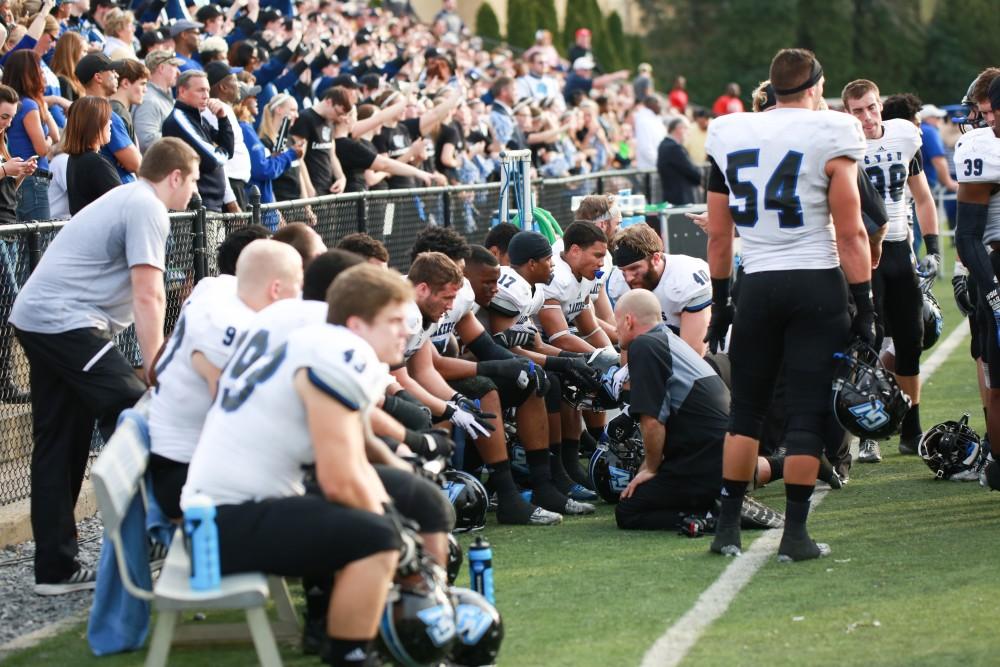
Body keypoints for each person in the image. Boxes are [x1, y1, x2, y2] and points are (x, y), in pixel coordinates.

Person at [181, 265, 413, 667]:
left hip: (218, 513)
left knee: (378, 524)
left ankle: (350, 636)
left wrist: (391, 514)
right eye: (393, 321)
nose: (405, 331)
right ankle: (351, 656)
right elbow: (339, 479)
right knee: (376, 538)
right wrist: (395, 532)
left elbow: (355, 458)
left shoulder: (317, 341)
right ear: (357, 324)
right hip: (216, 527)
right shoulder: (342, 351)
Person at [8, 137, 199, 594]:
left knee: (62, 443)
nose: (193, 192)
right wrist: (154, 365)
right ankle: (161, 529)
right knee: (137, 406)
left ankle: (55, 569)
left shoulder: (130, 197)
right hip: (65, 321)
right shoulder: (147, 206)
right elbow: (149, 293)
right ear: (175, 176)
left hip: (41, 318)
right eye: (192, 181)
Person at [703, 48, 871, 561]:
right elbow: (852, 231)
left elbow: (717, 234)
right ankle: (795, 536)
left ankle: (727, 527)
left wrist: (721, 299)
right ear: (816, 87)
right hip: (815, 285)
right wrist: (865, 304)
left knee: (746, 412)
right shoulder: (833, 131)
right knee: (804, 414)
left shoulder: (729, 131)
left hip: (756, 284)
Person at [148, 239, 303, 519]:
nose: (301, 294)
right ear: (276, 289)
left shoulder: (216, 288)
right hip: (187, 472)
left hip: (186, 458)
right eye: (298, 283)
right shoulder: (230, 327)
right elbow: (234, 414)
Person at [842, 79, 940, 462]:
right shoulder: (844, 145)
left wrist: (932, 248)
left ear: (880, 104)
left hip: (900, 250)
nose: (866, 118)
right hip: (862, 254)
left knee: (911, 340)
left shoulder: (904, 135)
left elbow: (923, 195)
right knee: (867, 340)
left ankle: (910, 427)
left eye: (871, 107)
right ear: (847, 114)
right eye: (857, 111)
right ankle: (868, 429)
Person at [614, 289, 727, 531]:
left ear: (628, 320)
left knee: (628, 509)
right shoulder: (671, 340)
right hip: (720, 453)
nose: (615, 331)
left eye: (616, 323)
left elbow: (653, 421)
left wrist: (651, 468)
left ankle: (708, 515)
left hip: (704, 462)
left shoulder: (643, 346)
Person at [954, 77, 1000, 489]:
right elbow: (968, 233)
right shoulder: (981, 146)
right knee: (989, 366)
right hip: (992, 266)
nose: (978, 119)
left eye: (984, 110)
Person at [609, 224, 712, 356]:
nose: (628, 278)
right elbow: (628, 346)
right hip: (660, 349)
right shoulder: (618, 282)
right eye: (623, 271)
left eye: (634, 268)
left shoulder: (685, 277)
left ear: (656, 258)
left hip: (707, 352)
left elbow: (694, 355)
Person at [0, 84, 39, 403]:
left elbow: (6, 187)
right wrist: (5, 169)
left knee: (6, 306)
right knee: (11, 303)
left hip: (9, 224)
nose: (7, 123)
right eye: (3, 116)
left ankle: (5, 380)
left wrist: (20, 173)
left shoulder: (2, 139)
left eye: (10, 118)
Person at [161, 70, 234, 213]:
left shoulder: (198, 119)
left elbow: (229, 150)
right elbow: (213, 160)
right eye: (200, 90)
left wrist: (222, 118)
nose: (206, 96)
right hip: (197, 209)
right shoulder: (179, 119)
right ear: (182, 91)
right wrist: (221, 152)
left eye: (207, 90)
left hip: (211, 207)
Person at [3, 50, 57, 221]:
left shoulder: (16, 105)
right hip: (32, 182)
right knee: (36, 245)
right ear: (30, 74)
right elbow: (43, 148)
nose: (42, 73)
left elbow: (55, 136)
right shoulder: (28, 105)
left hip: (17, 184)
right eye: (39, 70)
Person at [76, 52, 141, 183]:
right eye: (112, 71)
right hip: (117, 191)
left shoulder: (78, 112)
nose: (117, 74)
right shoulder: (106, 115)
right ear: (98, 77)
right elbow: (136, 163)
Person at [64, 96, 121, 214]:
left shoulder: (75, 158)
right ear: (94, 124)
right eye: (106, 118)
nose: (110, 122)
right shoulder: (96, 163)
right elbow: (121, 203)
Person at [290, 85, 347, 196]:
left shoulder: (329, 121)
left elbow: (331, 154)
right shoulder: (306, 118)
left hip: (328, 188)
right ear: (329, 102)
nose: (338, 118)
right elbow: (298, 157)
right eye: (338, 113)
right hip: (313, 189)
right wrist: (309, 189)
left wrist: (341, 178)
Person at [133, 50, 181, 154]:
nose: (178, 72)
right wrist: (182, 136)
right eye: (174, 66)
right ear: (161, 68)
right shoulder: (149, 100)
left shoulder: (160, 97)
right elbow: (146, 141)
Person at [657, 116, 702, 205]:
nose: (688, 133)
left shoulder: (664, 145)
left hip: (673, 196)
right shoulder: (674, 148)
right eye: (687, 129)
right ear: (679, 129)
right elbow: (693, 172)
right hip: (681, 198)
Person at [919, 103, 959, 195]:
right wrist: (948, 182)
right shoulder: (929, 131)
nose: (940, 120)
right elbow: (938, 160)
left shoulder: (920, 129)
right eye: (937, 118)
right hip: (928, 182)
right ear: (928, 118)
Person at [109, 59, 148, 145]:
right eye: (142, 84)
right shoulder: (118, 113)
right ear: (125, 83)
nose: (145, 90)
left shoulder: (116, 110)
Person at [633, 95, 666, 171]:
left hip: (656, 166)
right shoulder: (644, 121)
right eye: (659, 103)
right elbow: (645, 148)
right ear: (651, 105)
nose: (661, 106)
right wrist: (660, 163)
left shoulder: (654, 119)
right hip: (649, 168)